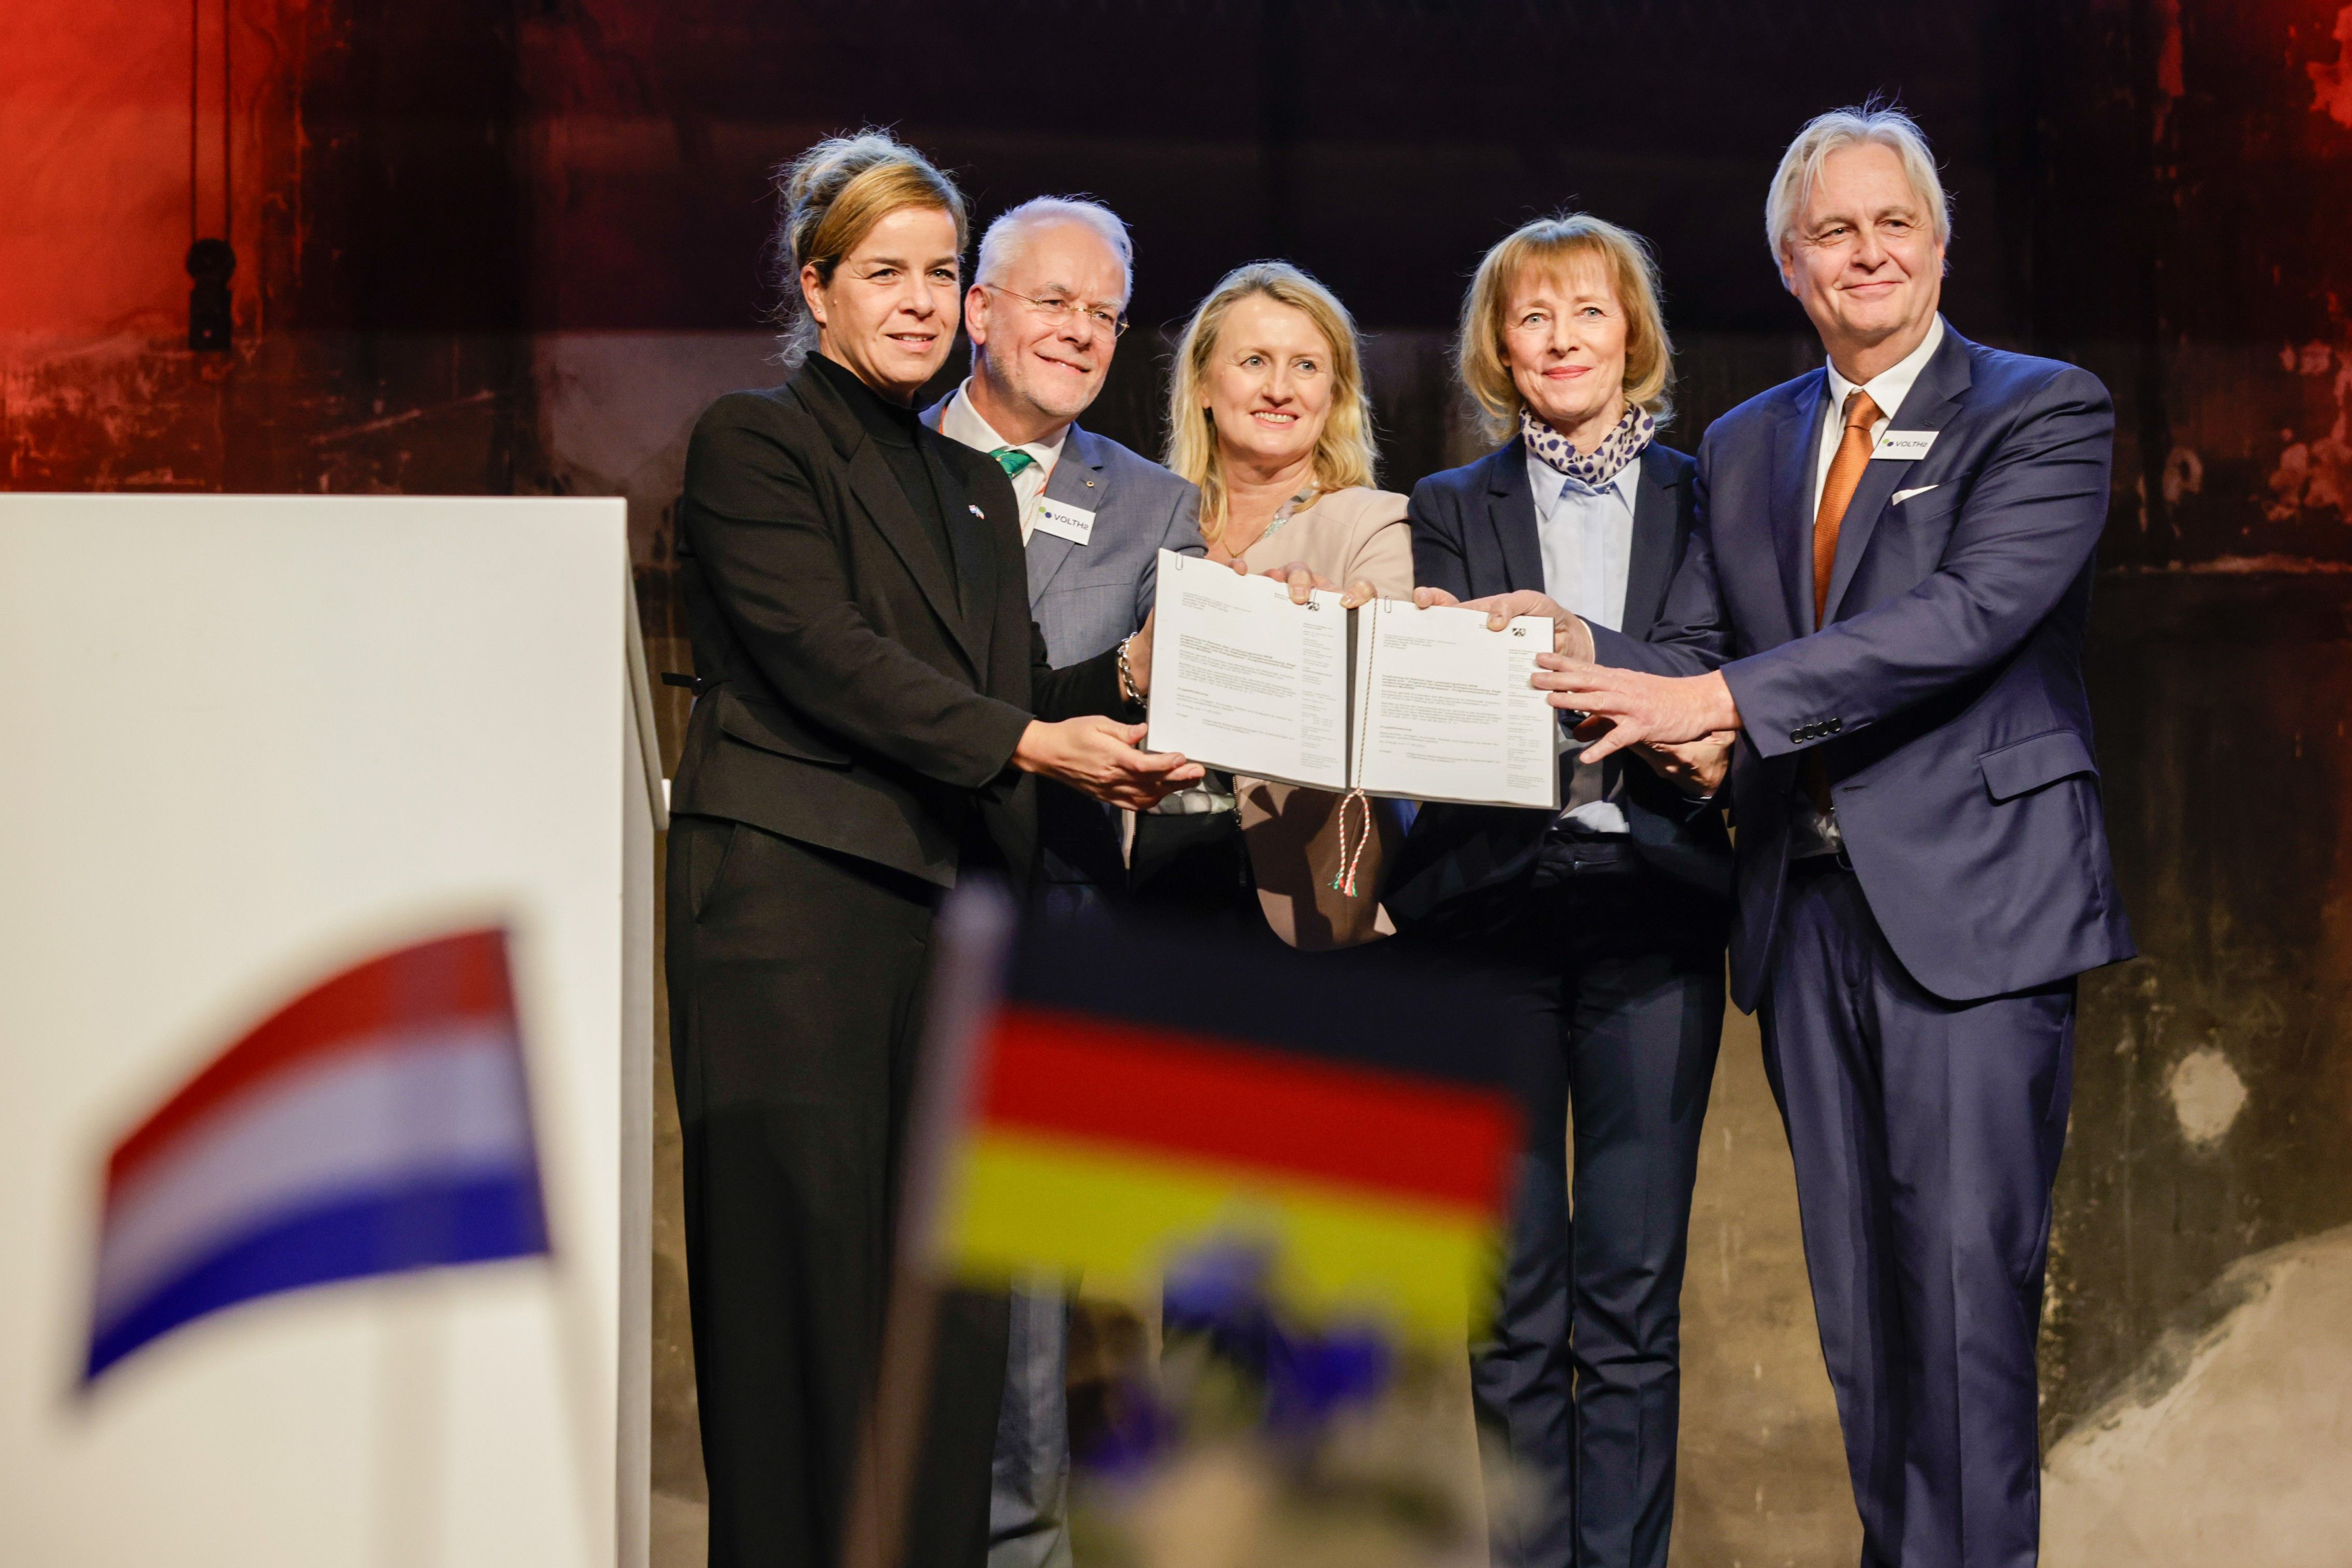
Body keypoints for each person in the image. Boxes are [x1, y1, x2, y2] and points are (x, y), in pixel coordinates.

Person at [1519, 106, 2135, 1567]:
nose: (1864, 253)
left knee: (1965, 1304)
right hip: (1801, 911)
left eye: (1891, 224)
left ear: (1935, 243)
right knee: (1862, 1311)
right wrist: (1549, 637)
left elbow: (1964, 616)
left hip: (1973, 916)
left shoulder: (2041, 408)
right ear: (1791, 267)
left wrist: (1715, 693)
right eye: (1830, 233)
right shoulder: (1743, 443)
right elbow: (1704, 649)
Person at [664, 132, 1201, 1568]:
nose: (915, 298)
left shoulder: (966, 490)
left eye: (938, 271)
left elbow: (1014, 688)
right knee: (802, 1317)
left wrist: (1137, 683)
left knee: (945, 1328)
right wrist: (1034, 744)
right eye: (884, 272)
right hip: (792, 926)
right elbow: (826, 656)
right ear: (817, 286)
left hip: (943, 926)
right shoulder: (752, 441)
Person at [1383, 215, 1735, 1568]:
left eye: (1585, 312)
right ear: (1499, 346)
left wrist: (1571, 642)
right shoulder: (1444, 505)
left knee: (1631, 1300)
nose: (1560, 339)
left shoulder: (1701, 493)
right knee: (1511, 1303)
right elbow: (1438, 697)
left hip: (1650, 909)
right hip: (1487, 918)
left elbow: (1703, 663)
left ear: (1629, 334)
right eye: (1532, 316)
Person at [921, 195, 1205, 1568]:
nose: (1081, 331)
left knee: (1028, 1308)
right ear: (978, 310)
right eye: (1052, 301)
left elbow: (1185, 717)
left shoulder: (1154, 504)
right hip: (873, 917)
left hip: (1055, 931)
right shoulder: (873, 460)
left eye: (1104, 311)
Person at [1152, 260, 1413, 947]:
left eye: (1304, 366)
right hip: (1144, 892)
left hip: (1307, 899)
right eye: (1254, 361)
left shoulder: (1376, 523)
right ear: (1204, 384)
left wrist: (1326, 636)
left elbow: (1393, 702)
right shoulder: (1149, 521)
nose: (1277, 388)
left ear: (1335, 393)